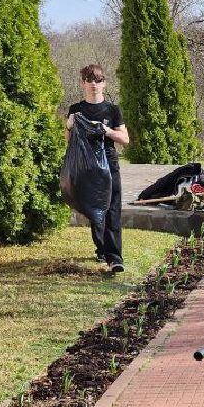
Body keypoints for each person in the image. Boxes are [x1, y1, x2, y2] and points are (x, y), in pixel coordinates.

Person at [66, 64, 129, 272]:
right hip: (87, 169)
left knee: (112, 208)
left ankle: (115, 258)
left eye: (98, 80)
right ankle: (102, 249)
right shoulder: (76, 110)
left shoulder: (112, 110)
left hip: (109, 164)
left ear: (104, 83)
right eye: (90, 80)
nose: (94, 84)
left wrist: (107, 130)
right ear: (82, 83)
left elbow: (125, 139)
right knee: (95, 209)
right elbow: (69, 141)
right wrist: (68, 126)